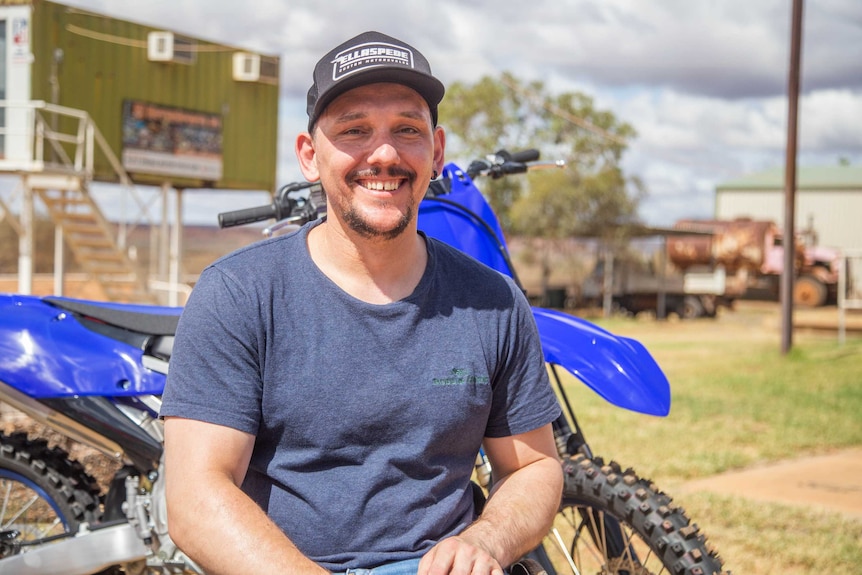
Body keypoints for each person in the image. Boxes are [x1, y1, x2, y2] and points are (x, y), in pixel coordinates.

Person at [161, 30, 563, 575]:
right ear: (310, 156)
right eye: (354, 130)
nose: (384, 154)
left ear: (437, 152)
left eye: (407, 130)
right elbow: (195, 498)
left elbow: (535, 466)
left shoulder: (492, 301)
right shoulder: (239, 294)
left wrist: (487, 541)